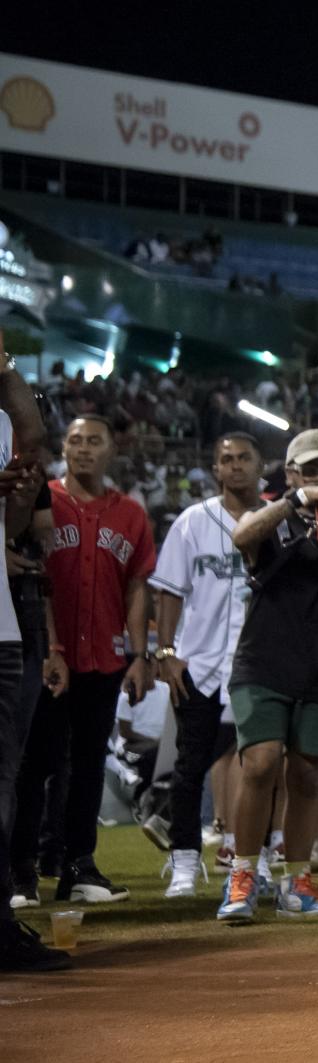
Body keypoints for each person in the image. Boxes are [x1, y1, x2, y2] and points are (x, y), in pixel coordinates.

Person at [216, 430, 318, 920]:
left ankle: (296, 884)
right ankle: (242, 878)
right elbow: (241, 536)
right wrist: (295, 502)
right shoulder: (273, 515)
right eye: (308, 470)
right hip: (264, 661)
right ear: (290, 473)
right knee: (262, 762)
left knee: (309, 776)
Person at [11, 415, 156, 905]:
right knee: (37, 763)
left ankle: (79, 867)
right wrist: (52, 647)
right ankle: (21, 872)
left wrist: (139, 656)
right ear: (64, 448)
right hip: (51, 657)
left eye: (94, 441)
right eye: (75, 440)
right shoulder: (43, 502)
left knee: (89, 763)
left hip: (104, 657)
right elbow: (37, 580)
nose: (83, 449)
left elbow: (137, 587)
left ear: (113, 450)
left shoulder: (131, 514)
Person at [148, 433, 262, 897]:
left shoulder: (273, 520)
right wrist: (167, 652)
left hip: (256, 664)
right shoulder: (193, 521)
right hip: (201, 663)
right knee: (190, 766)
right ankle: (185, 862)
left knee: (260, 765)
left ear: (261, 466)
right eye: (226, 459)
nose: (234, 466)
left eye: (243, 459)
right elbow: (169, 590)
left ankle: (256, 858)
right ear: (215, 469)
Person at [1, 351, 68, 970]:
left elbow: (19, 525)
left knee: (9, 774)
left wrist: (16, 497)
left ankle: (2, 910)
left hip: (6, 624)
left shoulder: (6, 427)